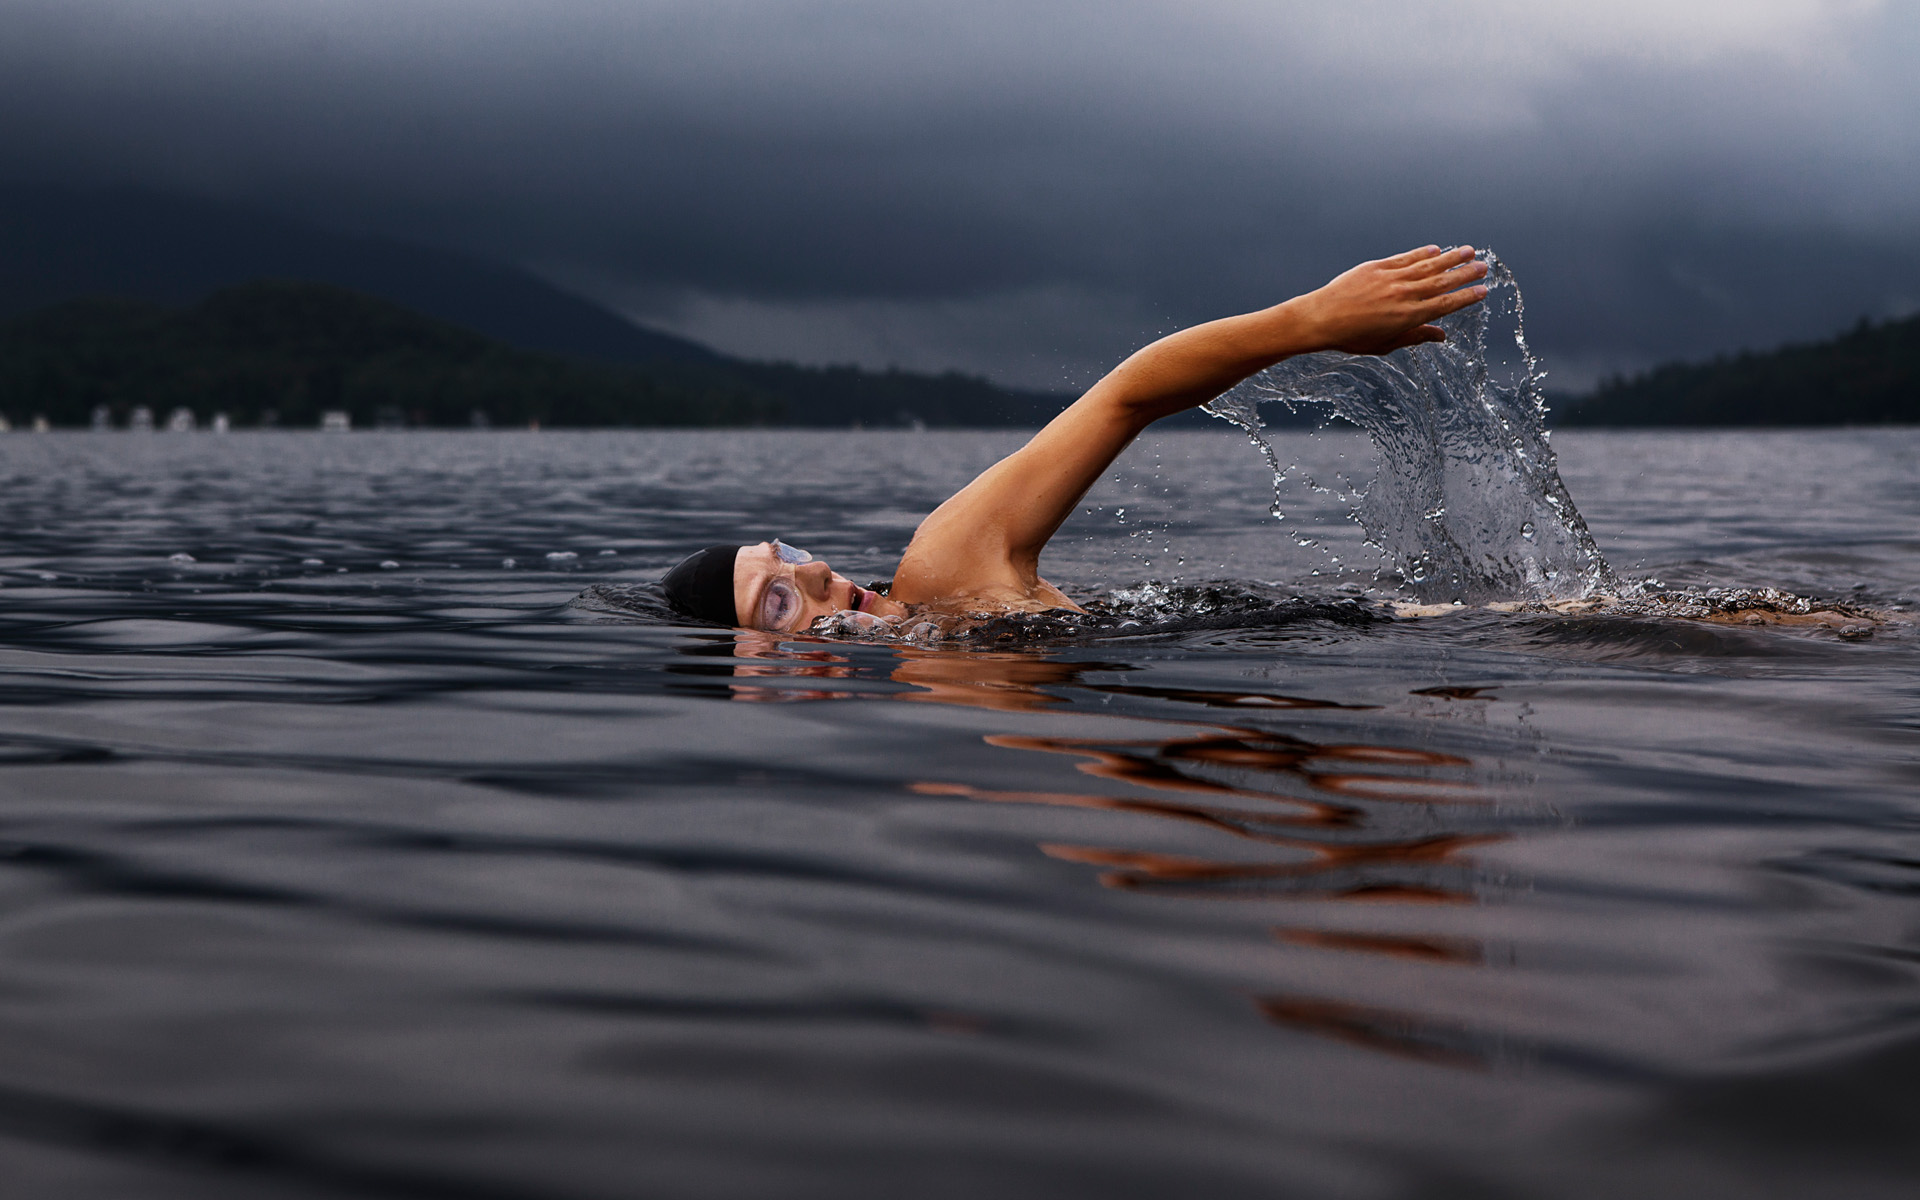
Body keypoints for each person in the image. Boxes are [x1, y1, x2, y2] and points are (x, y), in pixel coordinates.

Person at [661, 244, 1490, 632]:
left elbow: (1124, 397)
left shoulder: (945, 568)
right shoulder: (937, 727)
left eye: (789, 554)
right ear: (754, 674)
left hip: (1445, 630)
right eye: (777, 599)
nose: (814, 571)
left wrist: (1310, 321)